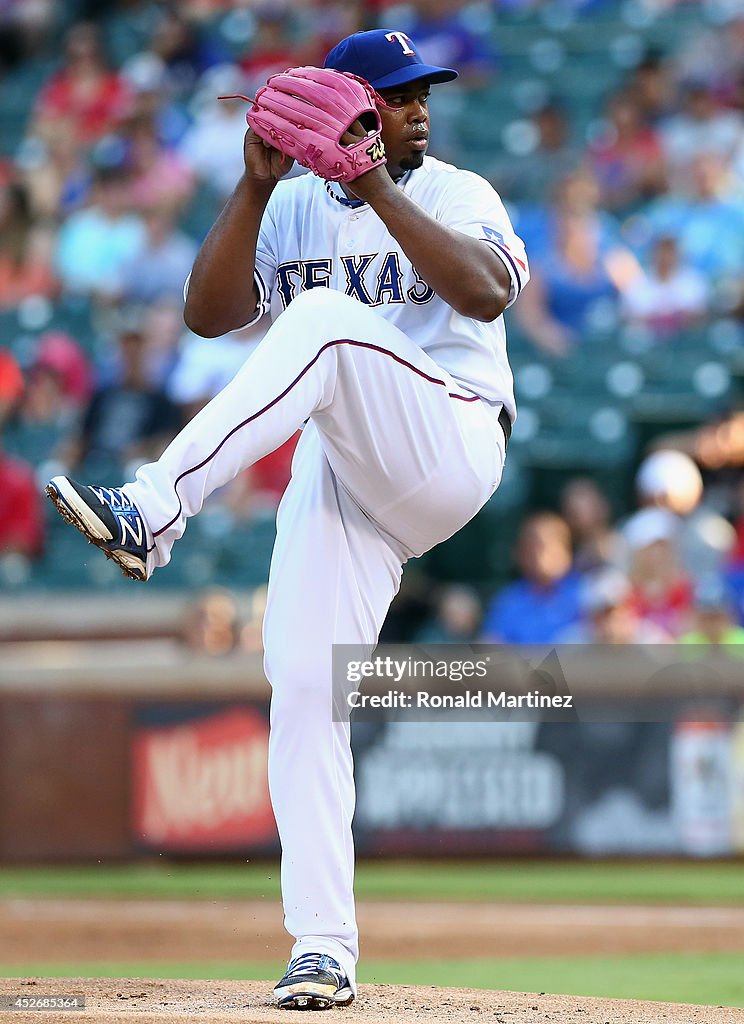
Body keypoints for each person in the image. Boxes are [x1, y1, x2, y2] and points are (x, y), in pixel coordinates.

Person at [45, 29, 527, 1011]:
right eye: (396, 96)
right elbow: (207, 317)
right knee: (303, 683)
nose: (419, 107)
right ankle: (323, 947)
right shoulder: (297, 205)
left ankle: (152, 506)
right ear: (348, 107)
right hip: (351, 463)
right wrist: (259, 185)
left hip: (451, 441)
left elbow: (484, 290)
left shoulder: (455, 191)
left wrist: (379, 182)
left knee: (320, 323)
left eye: (420, 92)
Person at [481, 512, 583, 643]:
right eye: (528, 546)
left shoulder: (587, 592)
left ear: (566, 550)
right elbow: (489, 649)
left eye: (542, 545)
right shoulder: (508, 601)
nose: (536, 554)